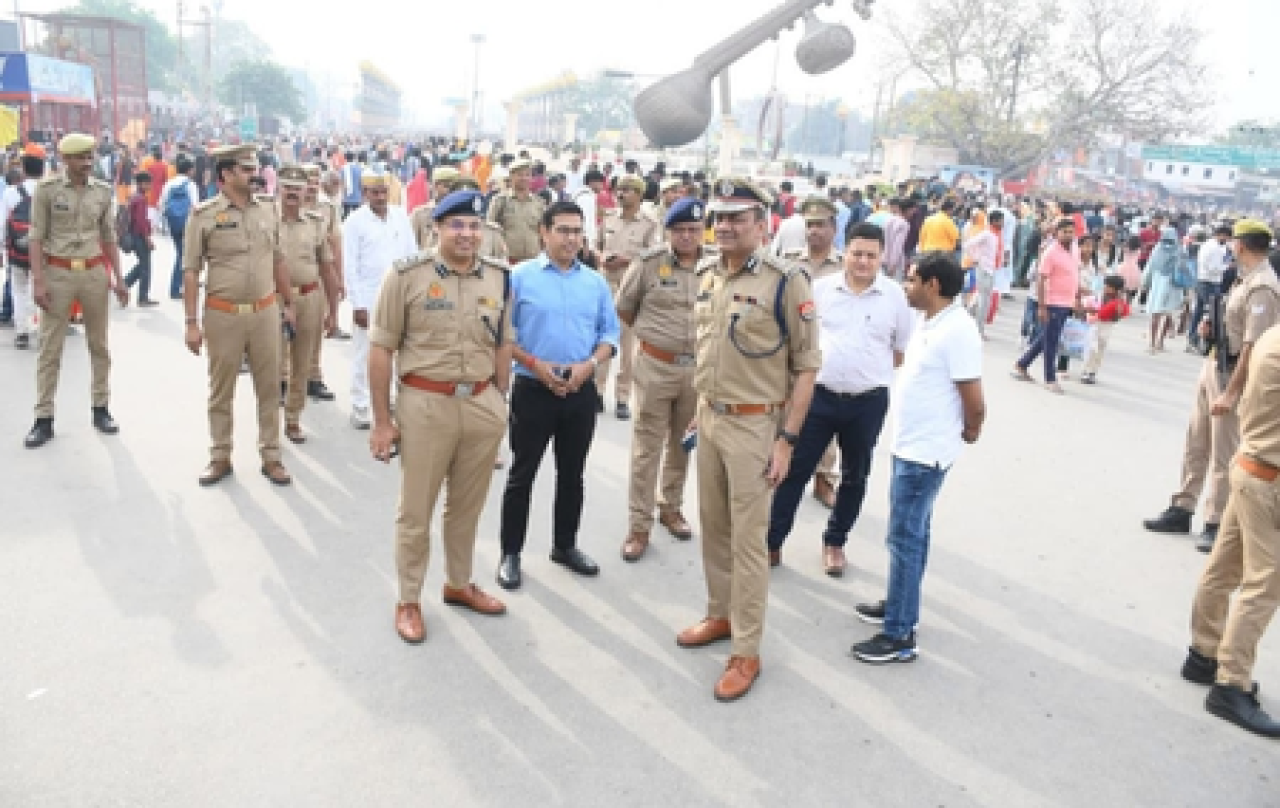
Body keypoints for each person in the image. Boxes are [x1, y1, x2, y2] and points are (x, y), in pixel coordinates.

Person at [675, 178, 820, 703]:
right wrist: (699, 411)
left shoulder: (786, 282)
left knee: (749, 542)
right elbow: (712, 353)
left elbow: (806, 369)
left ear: (763, 226)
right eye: (722, 216)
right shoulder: (711, 275)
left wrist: (786, 442)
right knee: (714, 529)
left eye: (740, 217)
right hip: (712, 420)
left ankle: (747, 650)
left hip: (758, 428)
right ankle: (719, 615)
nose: (728, 226)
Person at [368, 189, 514, 644]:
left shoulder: (499, 277)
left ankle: (459, 583)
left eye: (474, 226)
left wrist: (498, 401)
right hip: (424, 406)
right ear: (437, 228)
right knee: (416, 512)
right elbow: (381, 349)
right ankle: (408, 599)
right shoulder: (406, 276)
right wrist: (381, 420)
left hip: (480, 405)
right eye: (457, 225)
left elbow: (503, 343)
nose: (467, 234)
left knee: (466, 508)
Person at [852, 252, 985, 663]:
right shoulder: (933, 323)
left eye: (911, 280)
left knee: (904, 538)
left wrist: (970, 430)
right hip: (911, 446)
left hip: (924, 455)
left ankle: (899, 635)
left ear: (932, 285)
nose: (905, 286)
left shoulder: (958, 331)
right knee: (912, 536)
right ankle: (899, 606)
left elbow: (974, 401)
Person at [767, 222, 913, 576]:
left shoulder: (895, 297)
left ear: (883, 257)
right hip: (818, 397)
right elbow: (799, 344)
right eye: (857, 253)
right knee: (794, 471)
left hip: (868, 402)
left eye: (871, 256)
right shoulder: (819, 290)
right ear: (845, 252)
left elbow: (898, 351)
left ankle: (835, 542)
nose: (863, 261)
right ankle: (771, 542)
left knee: (854, 476)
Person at [496, 200, 621, 591]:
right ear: (544, 233)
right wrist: (534, 364)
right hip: (534, 388)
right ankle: (511, 553)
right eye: (563, 230)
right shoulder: (519, 278)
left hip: (579, 390)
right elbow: (502, 337)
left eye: (577, 231)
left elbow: (610, 334)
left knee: (573, 474)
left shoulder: (595, 282)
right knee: (523, 474)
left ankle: (564, 546)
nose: (571, 239)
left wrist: (590, 366)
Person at [1143, 219, 1280, 552]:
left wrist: (1232, 391)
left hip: (1232, 373)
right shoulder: (1243, 278)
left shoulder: (1263, 286)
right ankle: (1183, 506)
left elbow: (1253, 344)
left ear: (1241, 245)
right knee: (1196, 441)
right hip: (1215, 363)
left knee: (1223, 451)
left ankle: (1215, 520)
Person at [1181, 322, 1280, 739]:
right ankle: (1231, 682)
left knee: (1225, 567)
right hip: (1269, 476)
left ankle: (1204, 653)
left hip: (1251, 463)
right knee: (1265, 582)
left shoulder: (1273, 334)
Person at [182, 144, 297, 486]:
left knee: (269, 388)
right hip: (223, 315)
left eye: (255, 168)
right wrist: (191, 323)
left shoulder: (268, 211)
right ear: (227, 174)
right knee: (221, 389)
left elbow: (278, 259)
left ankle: (271, 456)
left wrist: (288, 303)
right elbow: (190, 271)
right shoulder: (203, 215)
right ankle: (220, 456)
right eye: (247, 170)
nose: (255, 174)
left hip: (264, 312)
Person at [23, 133, 129, 450]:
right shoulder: (46, 190)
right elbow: (36, 237)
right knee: (50, 347)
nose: (86, 163)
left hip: (94, 272)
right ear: (65, 159)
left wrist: (119, 278)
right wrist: (38, 280)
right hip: (58, 272)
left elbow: (109, 236)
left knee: (99, 345)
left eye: (89, 157)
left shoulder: (103, 191)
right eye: (80, 158)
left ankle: (101, 409)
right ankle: (43, 419)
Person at [615, 196, 704, 562]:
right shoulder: (648, 264)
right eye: (680, 230)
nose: (686, 236)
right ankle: (639, 525)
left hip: (697, 369)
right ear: (668, 231)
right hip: (655, 366)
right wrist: (655, 340)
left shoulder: (716, 265)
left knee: (683, 443)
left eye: (693, 230)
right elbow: (625, 307)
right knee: (646, 446)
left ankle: (671, 507)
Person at [782, 196, 847, 510]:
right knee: (785, 409)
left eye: (821, 225)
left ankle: (823, 479)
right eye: (810, 225)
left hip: (827, 352)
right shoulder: (788, 261)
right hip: (790, 349)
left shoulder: (846, 266)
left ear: (834, 228)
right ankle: (780, 468)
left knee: (825, 417)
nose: (814, 231)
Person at [342, 172, 417, 429]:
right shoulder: (354, 222)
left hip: (401, 294)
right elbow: (350, 265)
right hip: (369, 296)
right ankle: (361, 407)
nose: (380, 197)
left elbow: (412, 255)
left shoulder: (400, 216)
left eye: (384, 192)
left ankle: (395, 403)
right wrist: (357, 304)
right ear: (365, 194)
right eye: (375, 193)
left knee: (402, 352)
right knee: (366, 353)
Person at [276, 166, 339, 444]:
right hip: (274, 300)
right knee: (271, 365)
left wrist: (333, 311)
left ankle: (292, 420)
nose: (291, 192)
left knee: (302, 365)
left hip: (310, 298)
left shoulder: (315, 223)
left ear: (305, 192)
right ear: (279, 189)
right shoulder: (265, 221)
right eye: (286, 187)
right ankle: (268, 425)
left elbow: (327, 269)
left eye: (296, 188)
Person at [595, 174, 661, 419]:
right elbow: (596, 245)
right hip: (605, 287)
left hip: (631, 290)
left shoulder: (649, 223)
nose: (621, 194)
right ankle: (597, 391)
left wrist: (627, 260)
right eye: (619, 189)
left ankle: (623, 396)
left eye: (628, 190)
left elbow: (653, 256)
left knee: (627, 347)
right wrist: (601, 257)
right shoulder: (609, 217)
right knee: (602, 340)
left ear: (639, 194)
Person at [1011, 218, 1080, 395]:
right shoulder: (1051, 252)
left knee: (1047, 337)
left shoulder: (1074, 249)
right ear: (1057, 233)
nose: (1068, 235)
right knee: (1051, 341)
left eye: (1071, 232)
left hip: (1067, 301)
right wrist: (1042, 306)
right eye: (1065, 232)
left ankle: (1022, 364)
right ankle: (1050, 379)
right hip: (1053, 302)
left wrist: (1077, 295)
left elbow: (1073, 274)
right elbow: (1041, 280)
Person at [2, 148, 42, 349]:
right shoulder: (48, 192)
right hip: (44, 251)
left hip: (17, 250)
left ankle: (22, 332)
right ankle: (41, 330)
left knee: (19, 290)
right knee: (42, 288)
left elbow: (2, 224)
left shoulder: (11, 193)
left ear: (23, 171)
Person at [487, 158, 547, 264]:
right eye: (519, 175)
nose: (524, 178)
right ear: (511, 177)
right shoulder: (500, 200)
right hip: (507, 260)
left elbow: (544, 231)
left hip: (533, 260)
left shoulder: (539, 203)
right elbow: (490, 230)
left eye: (527, 175)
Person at [1141, 226, 1185, 354]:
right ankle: (1160, 342)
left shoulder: (1158, 249)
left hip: (1158, 283)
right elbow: (1183, 269)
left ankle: (1152, 343)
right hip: (1173, 285)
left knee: (1156, 315)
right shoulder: (1179, 249)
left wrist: (1145, 283)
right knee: (1168, 314)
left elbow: (1150, 267)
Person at [158, 155, 196, 300]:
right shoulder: (191, 185)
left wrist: (165, 223)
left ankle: (181, 284)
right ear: (189, 170)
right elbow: (195, 206)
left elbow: (161, 204)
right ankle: (176, 287)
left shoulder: (169, 183)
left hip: (173, 223)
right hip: (187, 223)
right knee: (184, 256)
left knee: (181, 254)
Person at [1080, 275, 1129, 385]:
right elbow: (1089, 306)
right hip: (1095, 323)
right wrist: (1090, 310)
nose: (1106, 288)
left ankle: (1092, 372)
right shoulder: (1099, 296)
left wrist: (1117, 310)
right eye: (1105, 285)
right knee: (1092, 347)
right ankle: (1086, 371)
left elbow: (1118, 316)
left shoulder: (1119, 301)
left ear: (1116, 289)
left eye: (1109, 287)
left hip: (1107, 325)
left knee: (1101, 348)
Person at [1190, 225, 1232, 349]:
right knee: (1212, 313)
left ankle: (1193, 338)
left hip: (1205, 280)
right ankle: (1203, 339)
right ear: (1221, 234)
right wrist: (1227, 267)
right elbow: (1213, 268)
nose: (1228, 240)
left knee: (1199, 311)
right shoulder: (1213, 248)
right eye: (1228, 237)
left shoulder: (1213, 246)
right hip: (1210, 282)